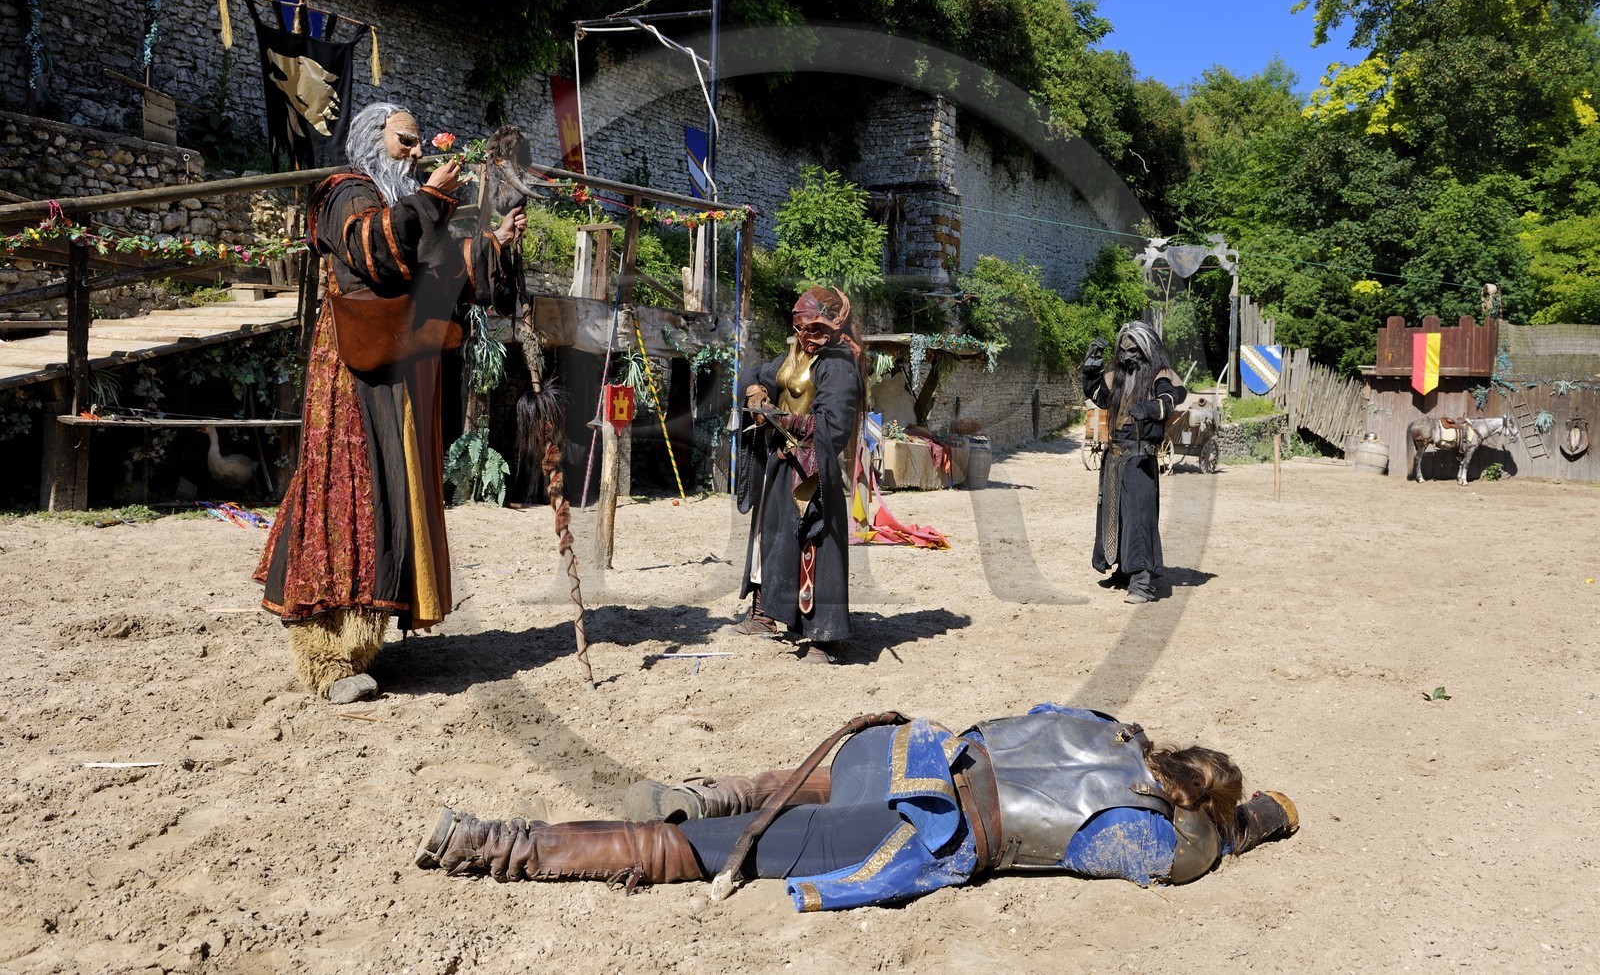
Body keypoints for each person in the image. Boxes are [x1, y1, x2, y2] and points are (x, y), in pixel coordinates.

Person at [413, 704, 1299, 910]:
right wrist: (1259, 817)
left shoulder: (1107, 728)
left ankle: (716, 790)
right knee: (714, 848)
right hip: (924, 826)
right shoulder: (1144, 833)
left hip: (923, 750)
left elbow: (1030, 715)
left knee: (820, 782)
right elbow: (1199, 850)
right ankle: (503, 845)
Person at [255, 102, 526, 703]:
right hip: (354, 376)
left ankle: (363, 644)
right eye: (406, 140)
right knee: (352, 488)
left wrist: (493, 246)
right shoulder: (344, 192)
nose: (417, 150)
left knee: (391, 490)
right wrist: (430, 199)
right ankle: (327, 658)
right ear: (371, 139)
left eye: (419, 140)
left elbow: (436, 273)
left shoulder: (402, 202)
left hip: (397, 367)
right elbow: (373, 252)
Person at [731, 287, 865, 664]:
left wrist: (779, 417)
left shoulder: (839, 365)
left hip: (813, 472)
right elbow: (754, 373)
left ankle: (825, 638)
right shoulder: (794, 357)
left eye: (815, 328)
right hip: (781, 463)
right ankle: (764, 614)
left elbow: (833, 425)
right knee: (770, 538)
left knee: (813, 547)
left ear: (834, 325)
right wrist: (755, 392)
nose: (806, 336)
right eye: (801, 328)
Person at [1082, 321, 1186, 604]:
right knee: (1114, 516)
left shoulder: (1159, 375)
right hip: (1115, 459)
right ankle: (1122, 571)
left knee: (1138, 518)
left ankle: (1141, 582)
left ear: (1145, 349)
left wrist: (1149, 408)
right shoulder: (1117, 377)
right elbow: (1098, 396)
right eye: (1123, 350)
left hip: (1140, 458)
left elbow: (1170, 398)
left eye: (1133, 350)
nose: (1127, 356)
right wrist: (1091, 367)